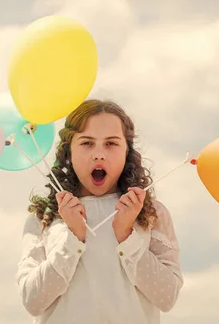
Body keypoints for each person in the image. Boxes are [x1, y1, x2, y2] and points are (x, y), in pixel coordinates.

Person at [15, 99, 183, 324]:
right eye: (87, 143)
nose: (99, 154)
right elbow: (33, 301)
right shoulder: (44, 217)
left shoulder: (150, 213)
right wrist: (73, 237)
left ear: (127, 151)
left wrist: (125, 234)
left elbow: (167, 297)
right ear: (69, 151)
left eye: (111, 143)